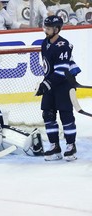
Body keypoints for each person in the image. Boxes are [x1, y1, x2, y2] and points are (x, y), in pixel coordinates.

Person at [35, 15, 81, 161]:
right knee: (48, 115)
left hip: (63, 86)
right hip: (51, 85)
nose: (45, 31)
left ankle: (70, 146)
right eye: (45, 28)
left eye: (48, 28)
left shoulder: (63, 45)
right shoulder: (45, 43)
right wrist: (45, 84)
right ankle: (54, 146)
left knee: (66, 115)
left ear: (56, 29)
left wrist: (45, 85)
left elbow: (61, 72)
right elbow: (48, 68)